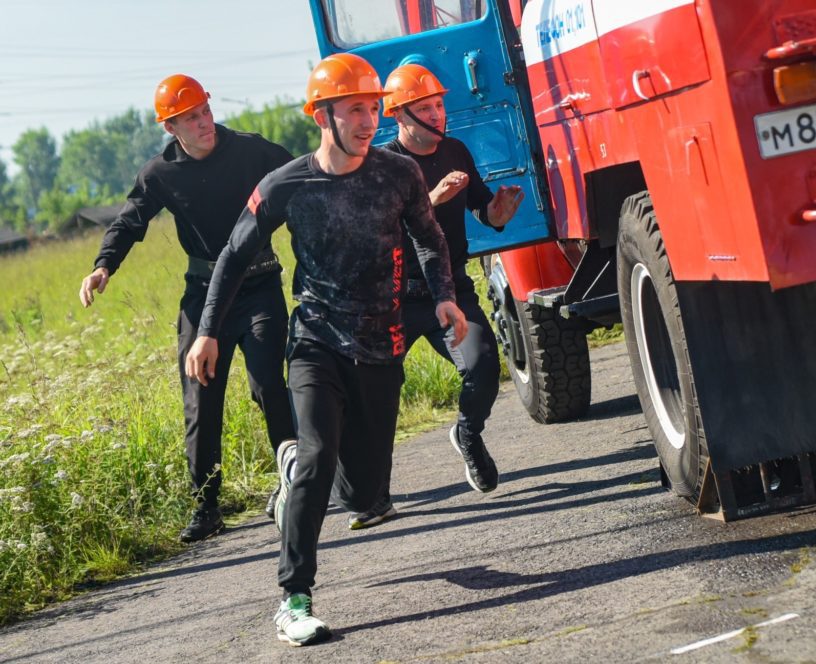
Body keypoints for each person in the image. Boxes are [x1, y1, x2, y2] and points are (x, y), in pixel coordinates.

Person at [184, 53, 467, 647]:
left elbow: (430, 236)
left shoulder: (397, 175)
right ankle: (293, 598)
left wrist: (443, 296)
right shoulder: (285, 184)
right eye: (355, 111)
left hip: (381, 343)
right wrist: (208, 329)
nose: (370, 121)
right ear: (322, 117)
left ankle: (319, 480)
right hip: (315, 340)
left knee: (366, 493)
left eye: (373, 109)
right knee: (315, 457)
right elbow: (233, 256)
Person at [78, 74, 296, 544]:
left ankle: (295, 482)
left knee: (268, 386)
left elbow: (303, 175)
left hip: (258, 286)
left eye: (205, 111)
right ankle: (206, 506)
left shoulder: (251, 149)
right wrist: (103, 266)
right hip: (202, 297)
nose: (205, 123)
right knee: (201, 398)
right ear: (171, 128)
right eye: (191, 118)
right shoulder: (160, 173)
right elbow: (130, 221)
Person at [341, 63, 525, 530]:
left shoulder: (456, 150)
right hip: (395, 298)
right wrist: (431, 201)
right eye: (425, 108)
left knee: (484, 365)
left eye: (439, 104)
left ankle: (467, 433)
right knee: (380, 397)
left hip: (451, 287)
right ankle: (373, 496)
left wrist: (496, 212)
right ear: (398, 116)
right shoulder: (380, 167)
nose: (438, 114)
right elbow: (377, 231)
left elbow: (483, 207)